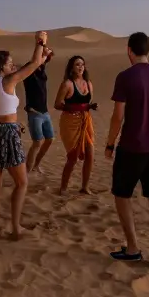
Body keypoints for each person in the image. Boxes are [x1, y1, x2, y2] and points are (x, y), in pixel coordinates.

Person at [104, 32, 149, 271]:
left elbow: (118, 116)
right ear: (148, 50)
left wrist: (110, 143)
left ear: (129, 50)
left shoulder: (125, 77)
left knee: (122, 195)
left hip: (131, 147)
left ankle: (133, 248)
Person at [0, 32, 50, 240]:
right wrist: (40, 42)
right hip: (8, 134)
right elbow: (33, 64)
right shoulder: (7, 81)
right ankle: (16, 228)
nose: (13, 66)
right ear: (2, 67)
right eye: (10, 63)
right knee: (22, 182)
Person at [55, 55, 98, 195]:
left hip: (85, 121)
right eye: (77, 64)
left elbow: (87, 103)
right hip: (70, 122)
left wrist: (91, 106)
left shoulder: (88, 83)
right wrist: (73, 108)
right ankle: (63, 188)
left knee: (90, 154)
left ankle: (85, 187)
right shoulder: (67, 84)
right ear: (71, 68)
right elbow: (57, 104)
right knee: (72, 157)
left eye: (82, 64)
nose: (80, 67)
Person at [23, 47, 55, 174]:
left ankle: (36, 165)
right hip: (34, 112)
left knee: (49, 139)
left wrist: (46, 55)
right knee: (37, 142)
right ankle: (26, 171)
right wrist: (42, 48)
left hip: (44, 112)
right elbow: (35, 62)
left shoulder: (42, 69)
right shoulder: (30, 68)